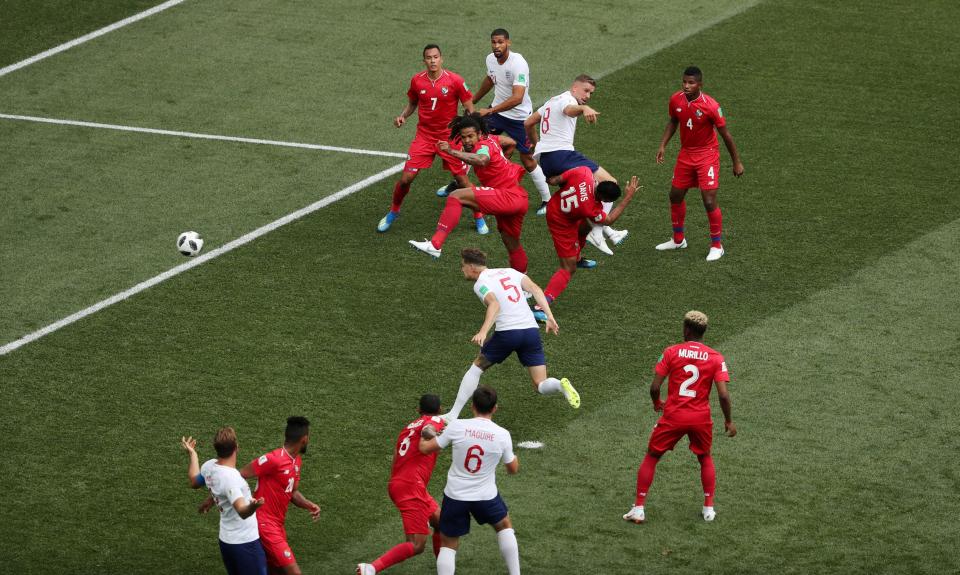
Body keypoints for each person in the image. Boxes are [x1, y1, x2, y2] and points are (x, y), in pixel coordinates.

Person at [623, 311, 737, 525]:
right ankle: (708, 509)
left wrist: (657, 403)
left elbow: (655, 387)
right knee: (705, 458)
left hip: (674, 416)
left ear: (686, 329)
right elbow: (723, 394)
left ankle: (638, 508)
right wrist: (729, 420)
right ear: (703, 332)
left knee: (652, 456)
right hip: (700, 418)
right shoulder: (716, 357)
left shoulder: (671, 352)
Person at [441, 248, 578, 423]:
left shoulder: (480, 283)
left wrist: (483, 331)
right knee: (540, 384)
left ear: (472, 267)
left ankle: (452, 415)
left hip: (508, 333)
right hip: (531, 332)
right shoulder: (510, 271)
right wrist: (549, 316)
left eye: (463, 266)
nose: (462, 270)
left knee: (477, 367)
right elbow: (536, 289)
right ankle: (560, 385)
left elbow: (495, 304)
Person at [377, 44, 488, 235]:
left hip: (449, 137)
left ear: (441, 59)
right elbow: (413, 103)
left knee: (462, 181)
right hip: (424, 137)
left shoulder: (455, 80)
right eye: (429, 58)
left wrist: (474, 133)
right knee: (405, 179)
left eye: (435, 57)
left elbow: (469, 106)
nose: (432, 61)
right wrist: (403, 116)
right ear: (424, 61)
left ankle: (479, 217)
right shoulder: (417, 81)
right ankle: (394, 211)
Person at [440, 28, 552, 216]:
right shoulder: (490, 59)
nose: (496, 46)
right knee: (470, 142)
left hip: (519, 118)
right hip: (498, 113)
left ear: (508, 43)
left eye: (500, 42)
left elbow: (517, 97)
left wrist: (490, 110)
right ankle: (460, 180)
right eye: (494, 42)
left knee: (527, 158)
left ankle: (547, 199)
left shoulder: (519, 64)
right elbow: (491, 79)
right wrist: (473, 100)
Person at [409, 114, 530, 273]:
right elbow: (510, 142)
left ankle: (435, 244)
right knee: (511, 243)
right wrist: (503, 161)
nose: (467, 141)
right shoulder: (492, 139)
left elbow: (482, 159)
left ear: (479, 134)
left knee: (456, 196)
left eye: (471, 136)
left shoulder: (482, 146)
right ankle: (524, 283)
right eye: (463, 137)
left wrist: (452, 152)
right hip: (519, 198)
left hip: (507, 195)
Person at [419, 385, 521, 575]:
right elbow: (512, 469)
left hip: (455, 495)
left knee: (448, 544)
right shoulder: (502, 434)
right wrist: (512, 457)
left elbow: (426, 448)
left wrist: (424, 436)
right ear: (495, 408)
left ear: (472, 406)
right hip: (486, 496)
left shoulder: (457, 426)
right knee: (504, 525)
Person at [524, 74, 628, 255]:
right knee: (610, 183)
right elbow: (569, 110)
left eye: (591, 94)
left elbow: (528, 122)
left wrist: (537, 145)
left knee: (586, 194)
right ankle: (596, 233)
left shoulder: (551, 101)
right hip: (562, 155)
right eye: (586, 91)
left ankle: (605, 234)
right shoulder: (567, 100)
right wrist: (584, 108)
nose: (588, 95)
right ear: (574, 88)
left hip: (548, 162)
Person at [654, 66, 744, 261]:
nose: (687, 86)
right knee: (675, 195)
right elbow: (673, 121)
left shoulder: (711, 106)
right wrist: (663, 145)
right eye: (684, 82)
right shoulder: (675, 99)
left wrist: (736, 162)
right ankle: (678, 240)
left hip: (707, 155)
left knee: (709, 200)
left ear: (700, 85)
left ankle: (717, 246)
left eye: (691, 83)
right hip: (686, 154)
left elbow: (726, 135)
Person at [357, 395, 447, 575]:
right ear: (440, 409)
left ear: (418, 410)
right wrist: (434, 433)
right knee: (416, 544)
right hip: (411, 486)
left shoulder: (406, 429)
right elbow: (428, 430)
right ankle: (371, 569)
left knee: (443, 523)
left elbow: (396, 459)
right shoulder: (434, 420)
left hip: (401, 483)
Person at [534, 167, 639, 321]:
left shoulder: (583, 173)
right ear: (606, 200)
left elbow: (555, 180)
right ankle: (540, 307)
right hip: (560, 222)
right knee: (568, 268)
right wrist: (628, 197)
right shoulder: (591, 208)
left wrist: (550, 179)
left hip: (560, 207)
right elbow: (609, 220)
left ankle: (578, 258)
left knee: (587, 226)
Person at [239, 417, 321, 575]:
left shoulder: (296, 461)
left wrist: (309, 505)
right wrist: (216, 499)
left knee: (275, 570)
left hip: (277, 525)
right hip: (264, 524)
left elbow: (293, 492)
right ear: (304, 439)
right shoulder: (273, 459)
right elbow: (240, 474)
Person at [181, 430, 267, 575]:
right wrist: (254, 506)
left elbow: (194, 481)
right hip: (244, 543)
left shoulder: (209, 466)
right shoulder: (232, 478)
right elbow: (242, 511)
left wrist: (193, 454)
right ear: (236, 447)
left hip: (226, 541)